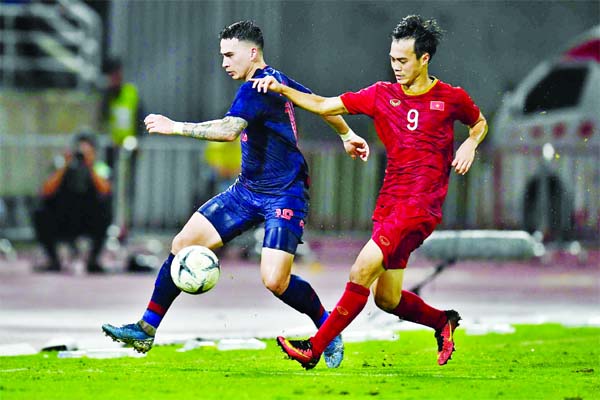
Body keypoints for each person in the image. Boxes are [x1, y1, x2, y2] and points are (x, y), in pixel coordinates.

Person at [101, 20, 369, 369]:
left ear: (252, 52)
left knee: (275, 280)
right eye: (222, 55)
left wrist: (175, 127)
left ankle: (328, 328)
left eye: (230, 55)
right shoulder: (274, 79)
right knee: (183, 243)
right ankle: (146, 327)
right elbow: (321, 103)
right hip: (247, 191)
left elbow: (230, 130)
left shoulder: (257, 87)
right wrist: (346, 134)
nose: (224, 62)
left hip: (284, 194)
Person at [252, 15, 488, 369]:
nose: (396, 67)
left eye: (403, 60)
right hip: (390, 203)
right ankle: (442, 321)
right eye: (392, 59)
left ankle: (315, 348)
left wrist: (470, 143)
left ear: (424, 60)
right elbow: (323, 104)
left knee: (360, 271)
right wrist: (282, 89)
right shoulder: (382, 95)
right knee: (387, 299)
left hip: (420, 206)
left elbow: (480, 122)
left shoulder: (451, 98)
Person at [33, 133, 112, 273]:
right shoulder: (61, 165)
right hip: (63, 218)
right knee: (39, 213)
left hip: (88, 219)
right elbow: (46, 190)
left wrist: (90, 166)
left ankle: (93, 260)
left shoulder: (99, 167)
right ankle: (53, 260)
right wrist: (65, 166)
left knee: (105, 211)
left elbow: (105, 190)